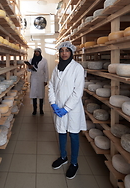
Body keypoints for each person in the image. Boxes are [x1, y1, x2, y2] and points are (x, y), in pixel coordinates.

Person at [48, 41, 86, 179]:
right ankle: (63, 157)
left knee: (74, 135)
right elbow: (51, 85)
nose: (64, 53)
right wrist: (53, 103)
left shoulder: (77, 68)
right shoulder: (56, 68)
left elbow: (78, 92)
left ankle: (74, 163)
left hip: (72, 109)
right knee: (61, 132)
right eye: (62, 50)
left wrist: (66, 108)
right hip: (58, 107)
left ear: (71, 52)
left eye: (67, 50)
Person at [27, 48, 48, 115]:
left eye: (38, 52)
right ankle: (34, 110)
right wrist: (29, 67)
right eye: (35, 52)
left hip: (41, 78)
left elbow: (46, 71)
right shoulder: (31, 60)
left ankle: (41, 109)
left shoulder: (44, 60)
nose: (36, 53)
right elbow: (28, 70)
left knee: (41, 95)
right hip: (33, 78)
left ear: (40, 52)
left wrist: (46, 80)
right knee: (34, 95)